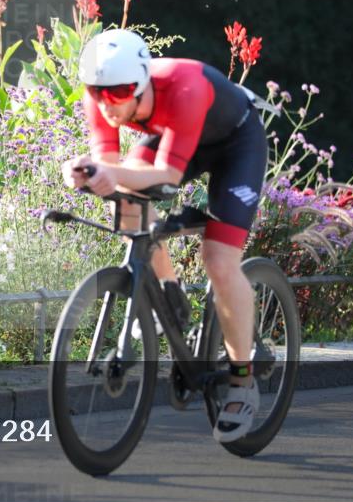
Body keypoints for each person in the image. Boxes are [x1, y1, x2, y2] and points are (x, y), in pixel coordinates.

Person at [61, 28, 268, 442]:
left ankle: (243, 382)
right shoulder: (102, 98)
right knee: (128, 201)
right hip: (179, 134)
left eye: (119, 92)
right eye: (98, 92)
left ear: (141, 82)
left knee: (219, 261)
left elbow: (170, 174)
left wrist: (111, 173)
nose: (108, 104)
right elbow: (111, 164)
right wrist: (85, 170)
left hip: (235, 145)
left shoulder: (184, 86)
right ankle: (170, 297)